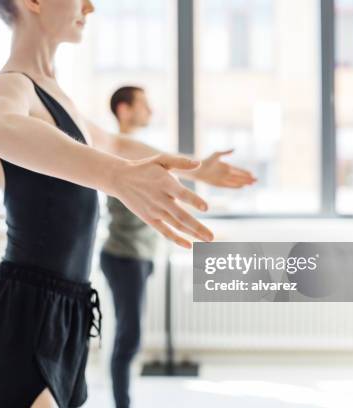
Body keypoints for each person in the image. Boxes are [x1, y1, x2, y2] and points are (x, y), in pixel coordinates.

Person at [0, 1, 218, 407]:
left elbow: (114, 143)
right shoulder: (10, 85)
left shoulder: (56, 95)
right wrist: (114, 176)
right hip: (20, 316)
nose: (90, 6)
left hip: (68, 313)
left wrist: (198, 168)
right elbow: (3, 128)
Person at [100, 87, 256, 408]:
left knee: (130, 338)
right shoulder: (117, 149)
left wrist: (199, 174)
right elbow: (153, 164)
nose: (151, 111)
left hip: (138, 256)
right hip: (124, 257)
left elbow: (160, 173)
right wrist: (199, 170)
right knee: (129, 339)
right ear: (124, 109)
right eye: (144, 105)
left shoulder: (133, 150)